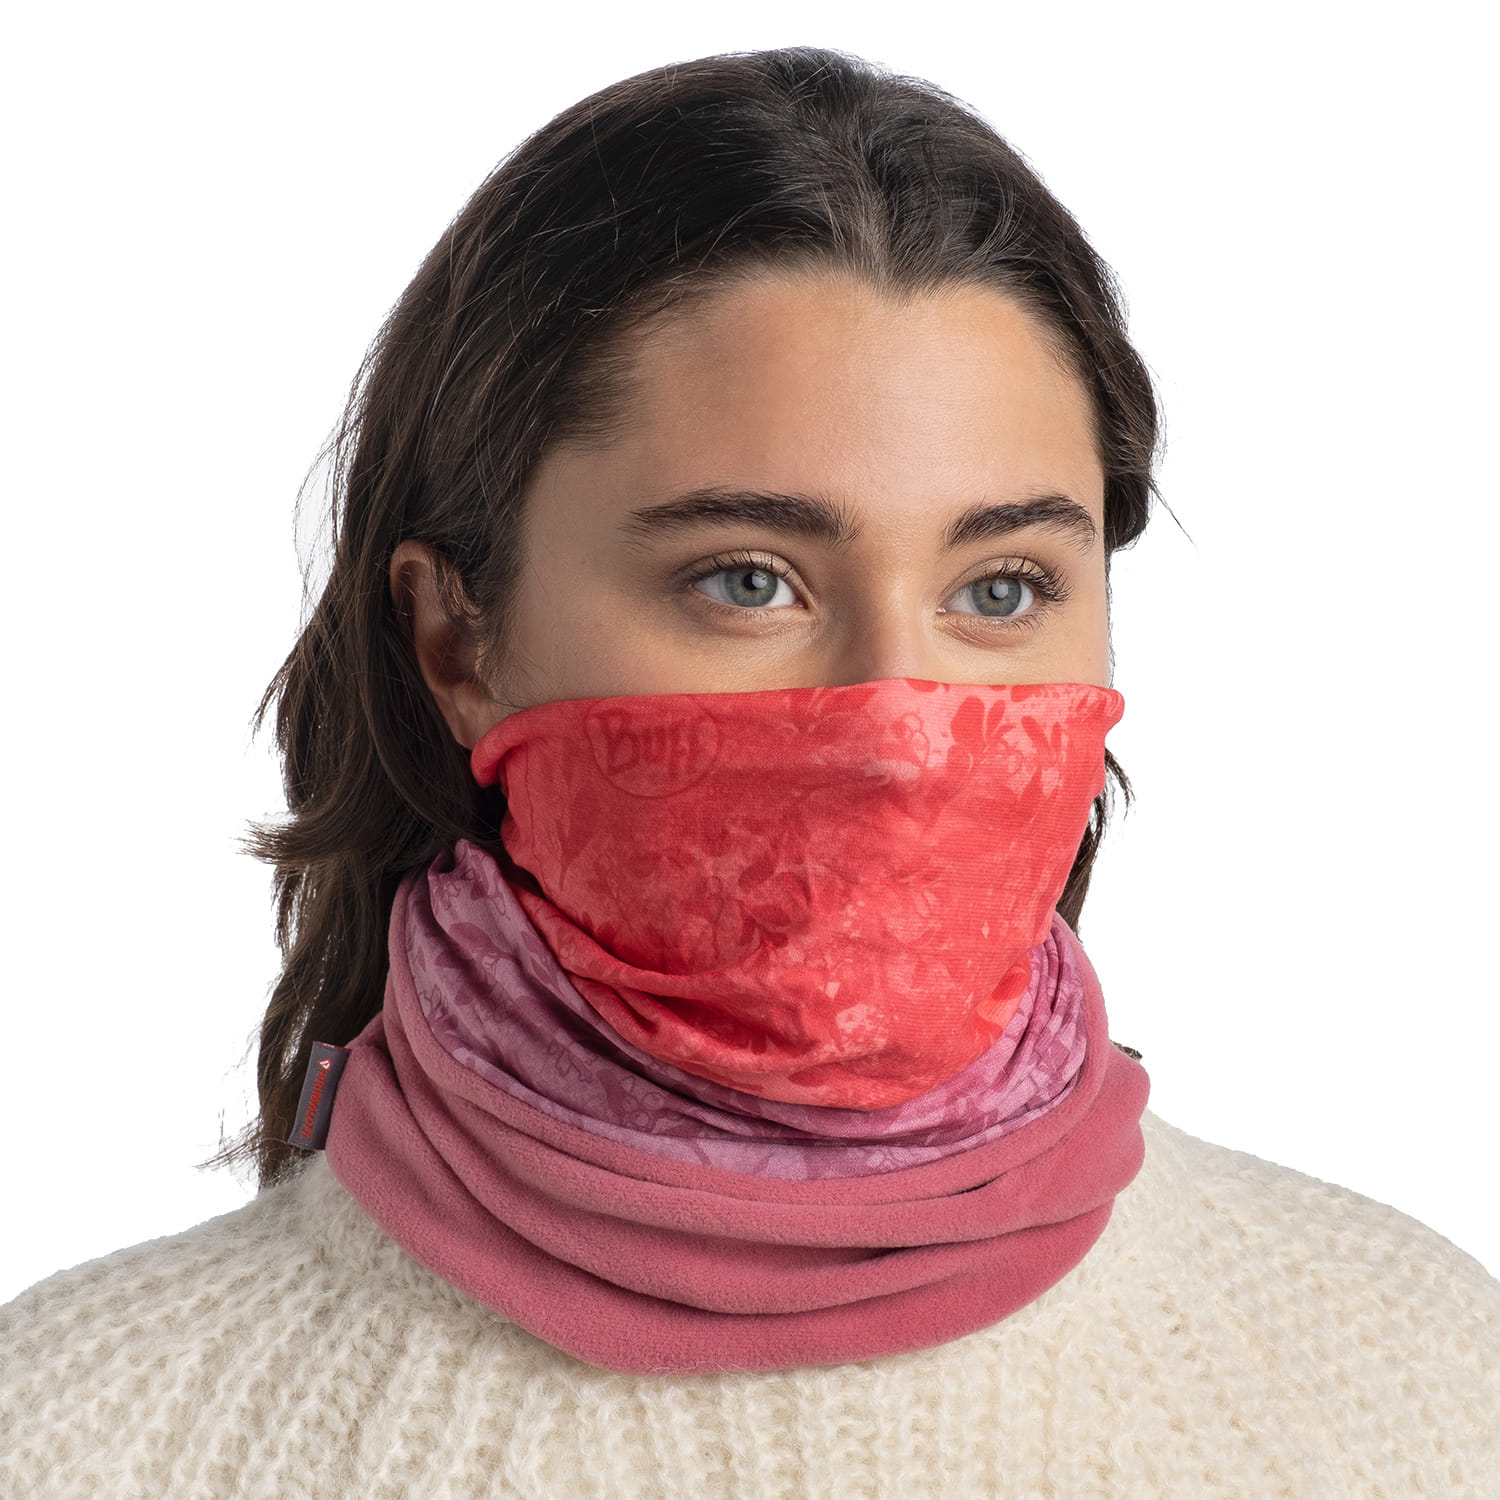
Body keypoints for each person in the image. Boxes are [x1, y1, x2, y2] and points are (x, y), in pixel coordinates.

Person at [3, 43, 1495, 1499]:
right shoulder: (80, 1435)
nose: (898, 731)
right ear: (458, 641)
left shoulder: (1416, 1371)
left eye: (1000, 589)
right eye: (746, 581)